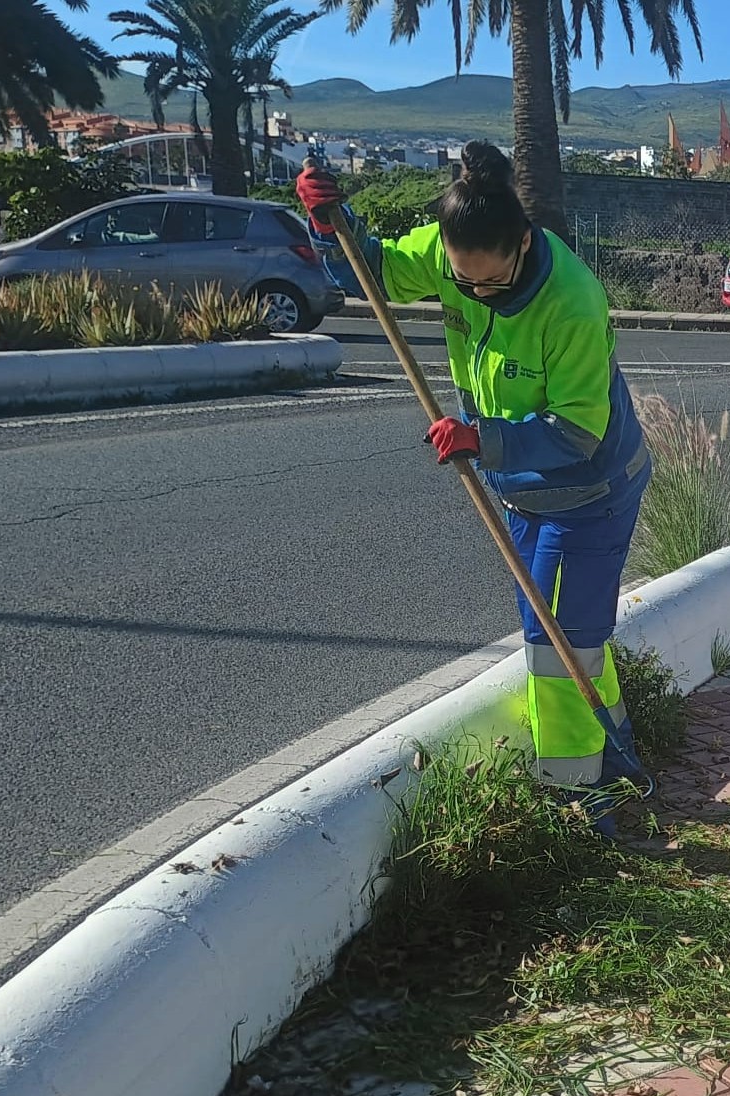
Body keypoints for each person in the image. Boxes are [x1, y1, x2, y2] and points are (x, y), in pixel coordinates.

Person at [309, 141, 652, 817]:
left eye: (489, 284)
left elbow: (577, 431)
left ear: (523, 244)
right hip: (519, 488)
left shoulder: (572, 300)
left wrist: (481, 439)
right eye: (461, 282)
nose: (472, 293)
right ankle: (616, 752)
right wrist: (331, 226)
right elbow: (373, 272)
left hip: (590, 492)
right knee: (571, 637)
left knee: (554, 644)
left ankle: (579, 797)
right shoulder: (454, 253)